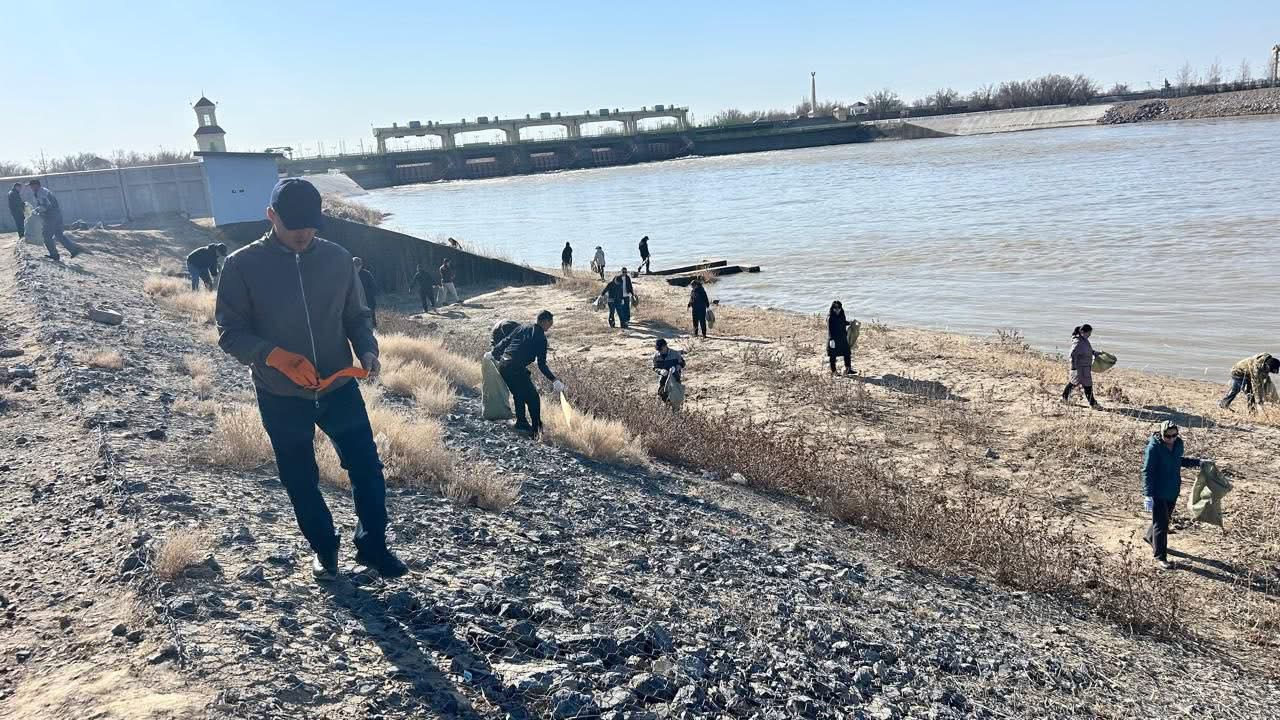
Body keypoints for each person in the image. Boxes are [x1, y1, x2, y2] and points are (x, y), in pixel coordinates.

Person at [214, 177, 406, 581]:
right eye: (293, 225)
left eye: (310, 225)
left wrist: (367, 350)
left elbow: (357, 316)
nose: (303, 233)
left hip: (339, 387)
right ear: (271, 216)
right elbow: (230, 334)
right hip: (279, 393)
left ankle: (373, 546)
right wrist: (274, 356)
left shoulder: (338, 259)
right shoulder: (241, 265)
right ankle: (325, 550)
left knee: (367, 468)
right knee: (300, 479)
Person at [490, 310, 563, 436]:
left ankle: (522, 423)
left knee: (519, 394)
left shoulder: (522, 327)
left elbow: (506, 340)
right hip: (515, 368)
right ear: (545, 321)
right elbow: (541, 364)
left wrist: (493, 353)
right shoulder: (541, 338)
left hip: (504, 365)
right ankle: (536, 429)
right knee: (533, 398)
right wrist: (554, 380)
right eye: (551, 322)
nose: (551, 325)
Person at [1142, 421, 1202, 570]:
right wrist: (1148, 494)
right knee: (1161, 525)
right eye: (1168, 436)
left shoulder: (1178, 444)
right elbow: (1147, 471)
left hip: (1172, 489)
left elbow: (1177, 461)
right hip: (1158, 491)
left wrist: (1198, 462)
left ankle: (1150, 537)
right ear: (1162, 434)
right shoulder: (1154, 448)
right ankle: (1161, 557)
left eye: (1174, 435)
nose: (1171, 439)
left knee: (1164, 519)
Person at [28, 179, 82, 262]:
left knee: (46, 235)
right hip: (57, 214)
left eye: (31, 186)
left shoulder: (41, 193)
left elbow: (46, 205)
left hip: (50, 216)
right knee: (59, 234)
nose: (31, 188)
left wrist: (36, 211)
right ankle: (74, 250)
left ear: (36, 185)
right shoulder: (45, 190)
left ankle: (54, 255)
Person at [1061, 324, 1102, 409]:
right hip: (1080, 368)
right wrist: (1074, 367)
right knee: (1087, 386)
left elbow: (1086, 349)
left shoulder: (1083, 339)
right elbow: (1072, 354)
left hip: (1085, 367)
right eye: (1089, 333)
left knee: (1073, 383)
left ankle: (1064, 398)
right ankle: (1093, 404)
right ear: (1083, 332)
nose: (1090, 335)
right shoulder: (1078, 342)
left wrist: (1094, 352)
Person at [653, 338, 685, 404]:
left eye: (661, 349)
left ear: (665, 346)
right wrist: (660, 371)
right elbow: (655, 367)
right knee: (663, 397)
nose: (660, 351)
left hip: (675, 379)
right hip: (663, 380)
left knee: (676, 398)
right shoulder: (656, 356)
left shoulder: (675, 354)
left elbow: (683, 363)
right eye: (658, 350)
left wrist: (678, 366)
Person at [827, 300, 856, 375]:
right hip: (834, 339)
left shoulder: (842, 315)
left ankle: (848, 369)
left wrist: (849, 323)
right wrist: (831, 340)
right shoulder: (830, 317)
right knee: (833, 355)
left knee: (847, 353)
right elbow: (830, 329)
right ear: (832, 308)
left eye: (839, 308)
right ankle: (834, 371)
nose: (837, 310)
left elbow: (843, 322)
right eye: (835, 308)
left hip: (842, 338)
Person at [353, 257, 379, 328]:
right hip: (356, 303)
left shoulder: (367, 274)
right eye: (354, 266)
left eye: (357, 266)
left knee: (370, 323)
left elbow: (374, 288)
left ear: (360, 266)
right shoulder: (351, 275)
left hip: (368, 302)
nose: (356, 268)